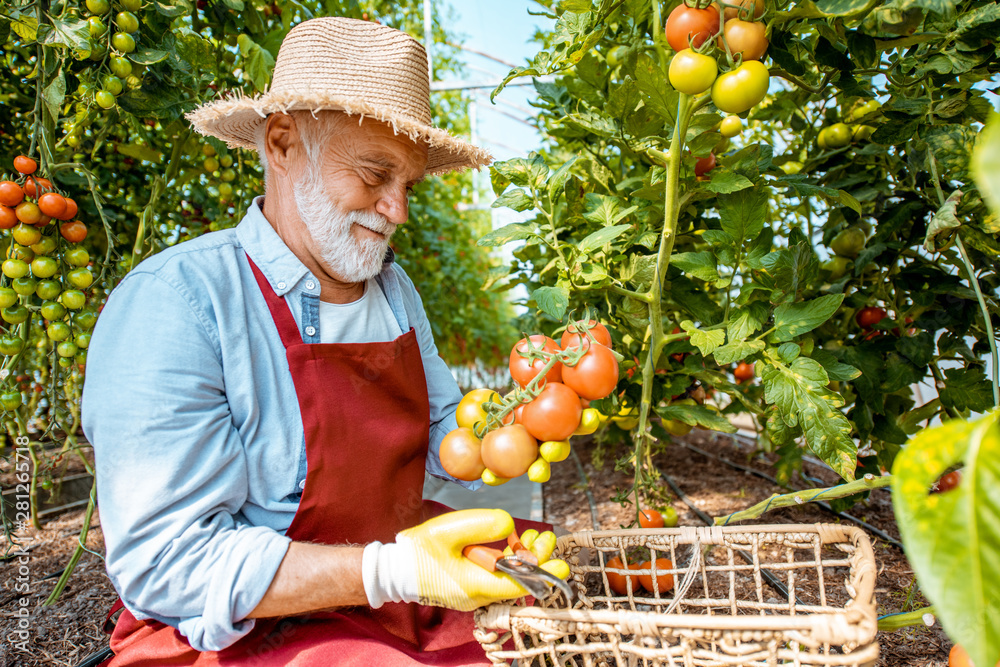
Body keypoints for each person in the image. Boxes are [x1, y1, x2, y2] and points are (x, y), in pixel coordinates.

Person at [82, 16, 566, 666]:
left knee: (553, 603)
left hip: (385, 592)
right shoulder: (181, 302)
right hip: (250, 630)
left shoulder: (396, 296)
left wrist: (519, 424)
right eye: (374, 174)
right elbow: (169, 562)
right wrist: (390, 570)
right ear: (282, 143)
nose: (397, 210)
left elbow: (446, 436)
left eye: (408, 185)